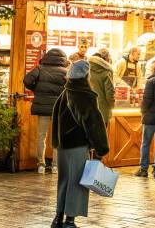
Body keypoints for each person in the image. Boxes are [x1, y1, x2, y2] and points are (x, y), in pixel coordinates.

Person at [52, 60, 111, 228]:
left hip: (62, 146)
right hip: (77, 145)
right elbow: (93, 123)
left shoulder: (66, 91)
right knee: (77, 182)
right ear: (86, 75)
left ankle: (58, 219)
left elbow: (56, 118)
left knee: (64, 181)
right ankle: (69, 221)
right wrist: (101, 147)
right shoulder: (84, 95)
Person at [24, 46, 69, 174]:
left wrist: (36, 89)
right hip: (58, 109)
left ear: (47, 57)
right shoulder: (65, 72)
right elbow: (70, 88)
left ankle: (41, 165)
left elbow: (27, 80)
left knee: (41, 136)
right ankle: (55, 166)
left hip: (43, 107)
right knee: (56, 137)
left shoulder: (40, 68)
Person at [87, 48, 116, 124]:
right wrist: (112, 105)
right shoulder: (106, 72)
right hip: (102, 111)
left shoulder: (84, 69)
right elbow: (110, 93)